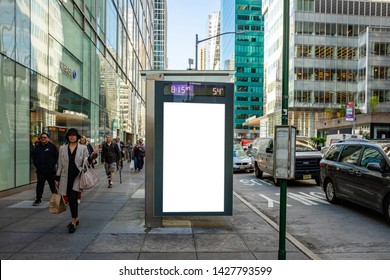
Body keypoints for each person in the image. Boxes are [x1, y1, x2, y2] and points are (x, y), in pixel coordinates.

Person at [55, 128, 88, 233]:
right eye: (70, 135)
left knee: (73, 198)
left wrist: (91, 159)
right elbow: (60, 164)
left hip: (77, 177)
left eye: (74, 135)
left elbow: (86, 163)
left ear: (77, 137)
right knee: (69, 199)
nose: (72, 136)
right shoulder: (62, 148)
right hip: (65, 177)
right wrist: (57, 177)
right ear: (67, 137)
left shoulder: (83, 148)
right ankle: (76, 218)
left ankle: (73, 221)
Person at [32, 133, 58, 206]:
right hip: (40, 171)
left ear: (48, 138)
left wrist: (52, 165)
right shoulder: (37, 147)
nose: (43, 139)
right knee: (40, 185)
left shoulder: (52, 147)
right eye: (41, 137)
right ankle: (38, 199)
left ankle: (56, 200)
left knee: (53, 186)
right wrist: (37, 165)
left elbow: (56, 157)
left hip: (50, 171)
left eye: (44, 137)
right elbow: (34, 157)